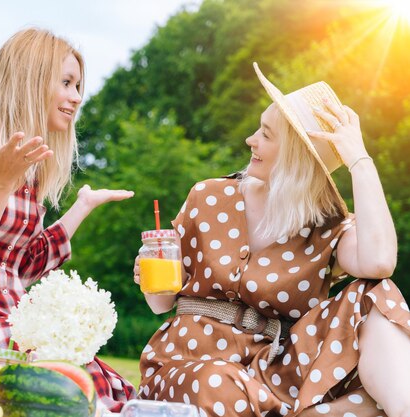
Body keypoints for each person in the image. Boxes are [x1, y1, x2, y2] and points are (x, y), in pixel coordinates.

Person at [135, 62, 410, 417]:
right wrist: (150, 276)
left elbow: (380, 262)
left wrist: (360, 160)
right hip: (191, 361)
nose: (251, 140)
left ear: (297, 155)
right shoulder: (208, 196)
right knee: (214, 383)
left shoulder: (327, 226)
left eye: (266, 134)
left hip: (275, 372)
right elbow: (162, 303)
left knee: (376, 294)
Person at [0, 28, 136, 411]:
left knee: (106, 385)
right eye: (66, 83)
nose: (76, 97)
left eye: (78, 85)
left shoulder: (27, 167)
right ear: (31, 79)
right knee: (65, 390)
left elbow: (21, 267)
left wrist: (79, 208)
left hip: (7, 322)